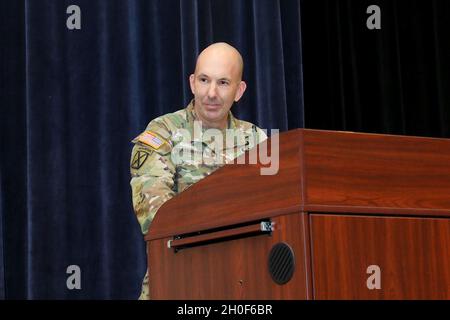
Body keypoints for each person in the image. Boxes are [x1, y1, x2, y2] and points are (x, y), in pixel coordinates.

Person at [129, 42, 267, 300]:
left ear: (239, 90)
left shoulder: (257, 140)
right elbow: (155, 217)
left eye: (223, 83)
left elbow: (276, 214)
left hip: (241, 285)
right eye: (204, 80)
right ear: (192, 82)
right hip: (177, 282)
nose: (211, 93)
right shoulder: (163, 131)